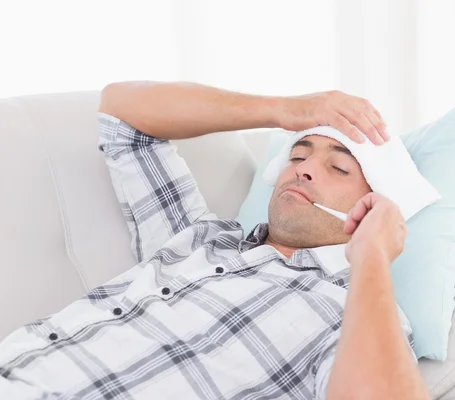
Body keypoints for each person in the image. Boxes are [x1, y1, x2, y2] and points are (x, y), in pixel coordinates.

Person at [0, 81, 430, 400]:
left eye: (337, 169)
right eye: (298, 156)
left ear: (372, 205)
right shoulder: (198, 237)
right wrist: (285, 109)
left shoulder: (349, 315)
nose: (303, 169)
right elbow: (121, 112)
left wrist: (371, 252)